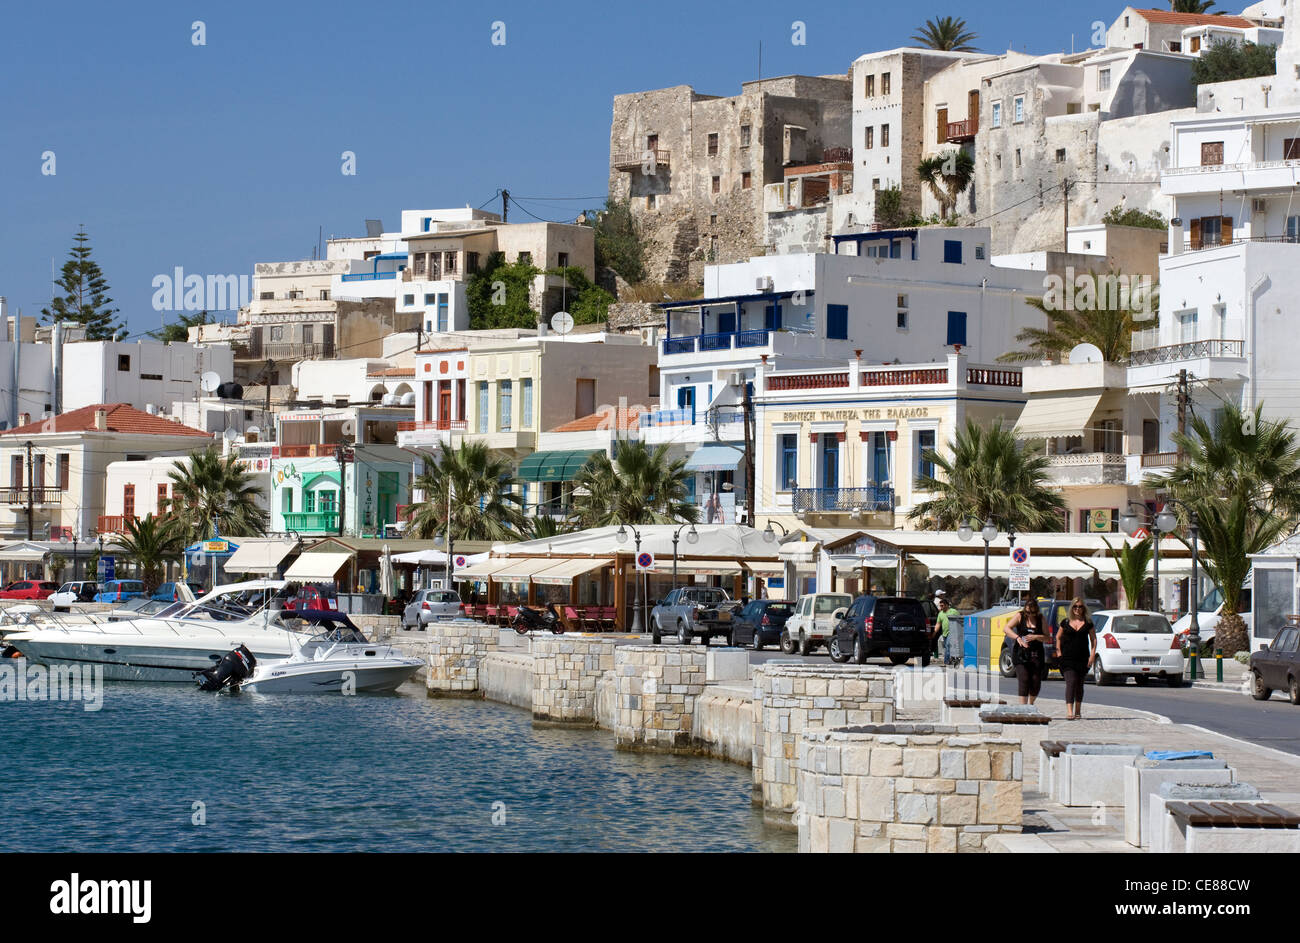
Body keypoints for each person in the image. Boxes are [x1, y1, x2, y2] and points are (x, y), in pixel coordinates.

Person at [1055, 597, 1097, 720]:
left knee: (1079, 685)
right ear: (1072, 608)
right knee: (1071, 682)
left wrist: (1092, 655)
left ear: (1084, 608)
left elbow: (1093, 639)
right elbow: (1058, 637)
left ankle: (1078, 710)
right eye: (1075, 606)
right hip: (1067, 658)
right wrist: (1059, 652)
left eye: (1080, 607)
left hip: (1082, 658)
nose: (1077, 609)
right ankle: (1069, 711)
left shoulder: (1088, 623)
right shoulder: (1065, 622)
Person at [1003, 597, 1050, 704]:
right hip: (1021, 654)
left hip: (1036, 654)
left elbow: (1047, 637)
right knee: (1024, 679)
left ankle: (1031, 704)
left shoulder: (1040, 618)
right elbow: (1006, 628)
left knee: (1035, 681)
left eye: (1032, 612)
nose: (1030, 614)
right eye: (1028, 612)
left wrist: (1036, 637)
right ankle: (1023, 708)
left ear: (1036, 610)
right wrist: (1017, 638)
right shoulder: (1020, 616)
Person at [936, 594, 961, 665]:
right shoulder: (940, 613)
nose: (941, 607)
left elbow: (959, 620)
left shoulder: (953, 611)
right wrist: (934, 633)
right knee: (948, 647)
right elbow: (938, 624)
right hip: (945, 633)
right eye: (940, 606)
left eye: (942, 605)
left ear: (947, 605)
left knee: (947, 646)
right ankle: (954, 659)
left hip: (952, 632)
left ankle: (946, 662)